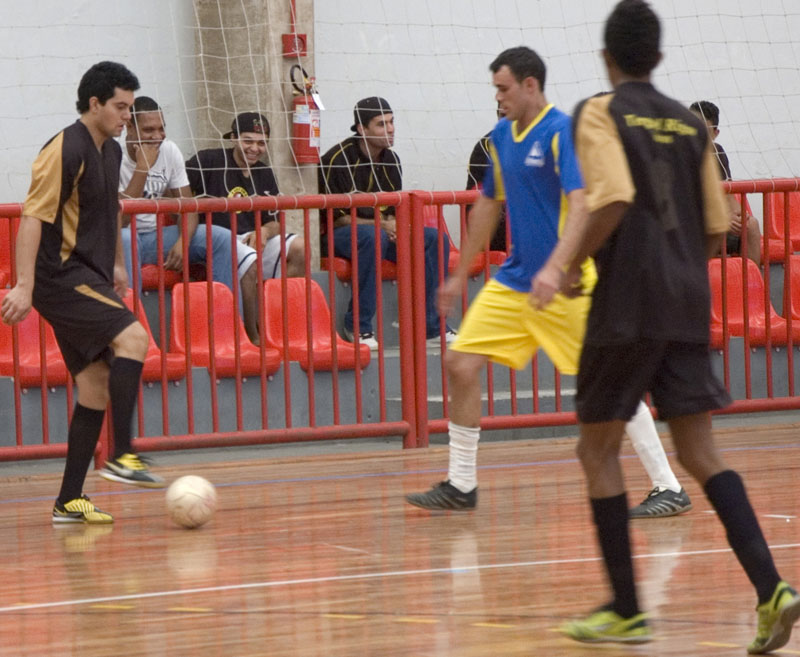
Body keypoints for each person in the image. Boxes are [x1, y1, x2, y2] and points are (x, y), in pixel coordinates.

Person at [556, 1, 799, 650]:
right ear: (658, 59)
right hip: (689, 298)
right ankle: (772, 585)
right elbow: (720, 226)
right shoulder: (694, 130)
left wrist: (567, 264)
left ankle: (627, 608)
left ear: (606, 57)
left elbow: (608, 199)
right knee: (700, 452)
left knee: (595, 449)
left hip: (629, 300)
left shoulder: (599, 111)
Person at [404, 46, 691, 520]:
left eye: (504, 89)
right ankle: (461, 483)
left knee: (614, 381)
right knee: (459, 364)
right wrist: (457, 274)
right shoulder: (500, 134)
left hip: (568, 284)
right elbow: (488, 205)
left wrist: (559, 267)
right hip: (516, 281)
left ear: (530, 85)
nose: (498, 98)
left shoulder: (562, 133)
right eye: (496, 90)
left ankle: (668, 487)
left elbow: (581, 208)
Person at [0, 61, 165, 525]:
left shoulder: (110, 150)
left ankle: (69, 500)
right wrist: (25, 285)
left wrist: (115, 263)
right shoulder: (63, 148)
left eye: (130, 108)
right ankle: (123, 454)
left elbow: (109, 208)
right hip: (59, 275)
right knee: (134, 340)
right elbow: (32, 216)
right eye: (120, 107)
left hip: (89, 272)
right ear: (93, 104)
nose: (126, 116)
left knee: (94, 385)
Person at [318, 96, 455, 350]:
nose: (390, 129)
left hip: (377, 234)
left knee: (435, 240)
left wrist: (393, 226)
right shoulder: (336, 159)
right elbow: (335, 219)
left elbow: (391, 210)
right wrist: (382, 226)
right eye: (382, 124)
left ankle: (434, 327)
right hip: (337, 237)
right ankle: (358, 326)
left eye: (392, 122)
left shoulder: (392, 160)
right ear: (362, 129)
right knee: (373, 238)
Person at [119, 96, 261, 342]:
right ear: (129, 128)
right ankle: (131, 335)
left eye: (161, 128)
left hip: (154, 238)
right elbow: (118, 220)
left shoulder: (170, 150)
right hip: (119, 238)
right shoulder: (112, 155)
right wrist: (142, 168)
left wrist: (183, 241)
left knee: (222, 239)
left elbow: (189, 207)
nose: (157, 136)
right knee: (124, 237)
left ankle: (225, 332)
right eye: (148, 130)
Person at [185, 112, 305, 289]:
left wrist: (263, 231)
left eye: (261, 143)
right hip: (217, 241)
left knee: (300, 247)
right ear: (233, 138)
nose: (255, 148)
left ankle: (278, 309)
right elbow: (175, 189)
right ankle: (251, 318)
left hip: (252, 240)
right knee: (250, 259)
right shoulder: (208, 160)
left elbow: (277, 223)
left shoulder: (265, 172)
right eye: (248, 141)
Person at [690, 100, 762, 265]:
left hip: (712, 222)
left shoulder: (718, 153)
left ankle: (753, 286)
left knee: (751, 225)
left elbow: (730, 198)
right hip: (688, 225)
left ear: (715, 133)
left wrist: (738, 217)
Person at [466, 103, 508, 252]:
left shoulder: (538, 143)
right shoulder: (484, 148)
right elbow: (472, 205)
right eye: (503, 116)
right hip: (497, 228)